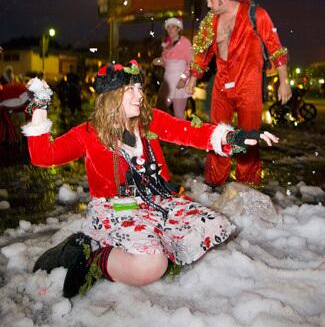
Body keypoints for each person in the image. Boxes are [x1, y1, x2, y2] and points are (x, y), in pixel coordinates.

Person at [22, 60, 278, 298]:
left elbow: (189, 131)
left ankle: (155, 254)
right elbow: (44, 155)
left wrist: (231, 137)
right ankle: (94, 257)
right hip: (116, 210)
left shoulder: (149, 121)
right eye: (129, 89)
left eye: (139, 87)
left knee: (215, 226)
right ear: (111, 96)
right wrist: (40, 109)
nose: (139, 95)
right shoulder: (88, 133)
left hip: (157, 202)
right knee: (152, 264)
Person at [182, 0, 291, 189]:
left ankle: (247, 186)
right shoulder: (209, 22)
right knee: (217, 134)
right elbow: (201, 53)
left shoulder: (256, 14)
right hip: (222, 85)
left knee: (249, 138)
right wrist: (193, 77)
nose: (208, 5)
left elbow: (275, 48)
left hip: (248, 85)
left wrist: (284, 81)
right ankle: (214, 182)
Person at [153, 18, 193, 119]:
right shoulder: (167, 45)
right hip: (168, 82)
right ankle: (161, 133)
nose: (170, 30)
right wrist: (160, 62)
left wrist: (183, 79)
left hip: (179, 82)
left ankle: (183, 134)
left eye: (173, 27)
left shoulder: (185, 42)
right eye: (168, 27)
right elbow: (166, 64)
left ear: (178, 29)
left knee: (179, 114)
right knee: (160, 110)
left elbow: (191, 63)